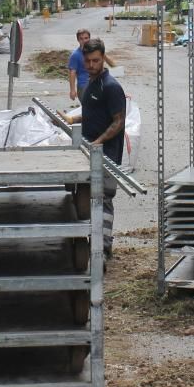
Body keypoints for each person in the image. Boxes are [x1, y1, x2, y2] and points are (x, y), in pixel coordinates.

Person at [62, 38, 124, 259]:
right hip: (90, 152)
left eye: (95, 61)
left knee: (104, 200)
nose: (90, 65)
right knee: (89, 199)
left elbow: (118, 122)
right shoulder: (89, 86)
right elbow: (90, 114)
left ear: (103, 59)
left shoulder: (111, 87)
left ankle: (104, 251)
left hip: (106, 155)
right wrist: (72, 119)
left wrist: (99, 142)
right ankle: (92, 245)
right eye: (87, 61)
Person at [68, 28, 91, 102]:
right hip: (84, 86)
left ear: (89, 38)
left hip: (95, 84)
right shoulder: (75, 55)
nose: (84, 41)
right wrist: (72, 90)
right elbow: (72, 73)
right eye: (81, 39)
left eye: (86, 38)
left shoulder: (93, 52)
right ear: (78, 40)